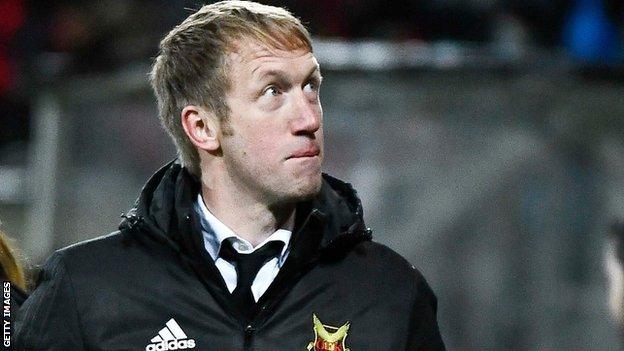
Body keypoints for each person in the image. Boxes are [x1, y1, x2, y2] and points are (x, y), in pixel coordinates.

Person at [15, 1, 445, 350]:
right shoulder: (86, 289)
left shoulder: (391, 292)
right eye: (273, 91)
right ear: (202, 128)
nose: (308, 117)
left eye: (311, 86)